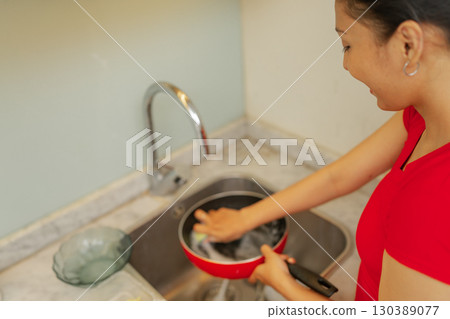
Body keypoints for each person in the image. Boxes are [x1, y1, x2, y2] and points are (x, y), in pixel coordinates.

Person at [193, 0, 450, 301]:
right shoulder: (424, 117)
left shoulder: (434, 199)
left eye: (347, 45)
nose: (346, 64)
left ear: (407, 45)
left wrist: (284, 285)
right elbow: (340, 177)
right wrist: (247, 217)